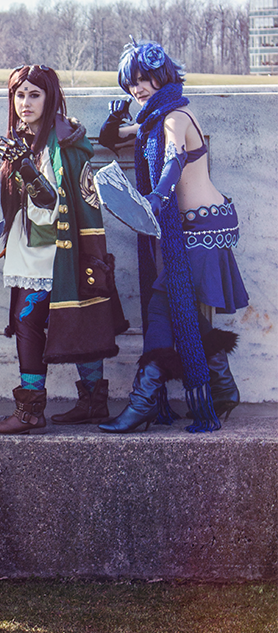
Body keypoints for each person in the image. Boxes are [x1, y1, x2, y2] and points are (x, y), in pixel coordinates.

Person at [97, 42, 248, 433]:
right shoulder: (153, 120)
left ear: (162, 76)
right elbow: (113, 140)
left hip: (203, 228)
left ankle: (144, 401)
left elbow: (174, 158)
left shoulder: (175, 116)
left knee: (163, 305)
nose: (137, 88)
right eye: (130, 83)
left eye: (143, 79)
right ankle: (222, 387)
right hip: (192, 228)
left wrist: (158, 196)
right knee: (182, 309)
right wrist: (113, 120)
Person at [0, 65, 127, 434]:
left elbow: (55, 205)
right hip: (31, 250)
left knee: (31, 321)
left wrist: (27, 169)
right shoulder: (24, 138)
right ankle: (91, 402)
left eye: (34, 94)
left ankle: (31, 412)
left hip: (59, 252)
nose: (25, 102)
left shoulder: (63, 143)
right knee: (67, 320)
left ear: (50, 98)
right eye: (19, 95)